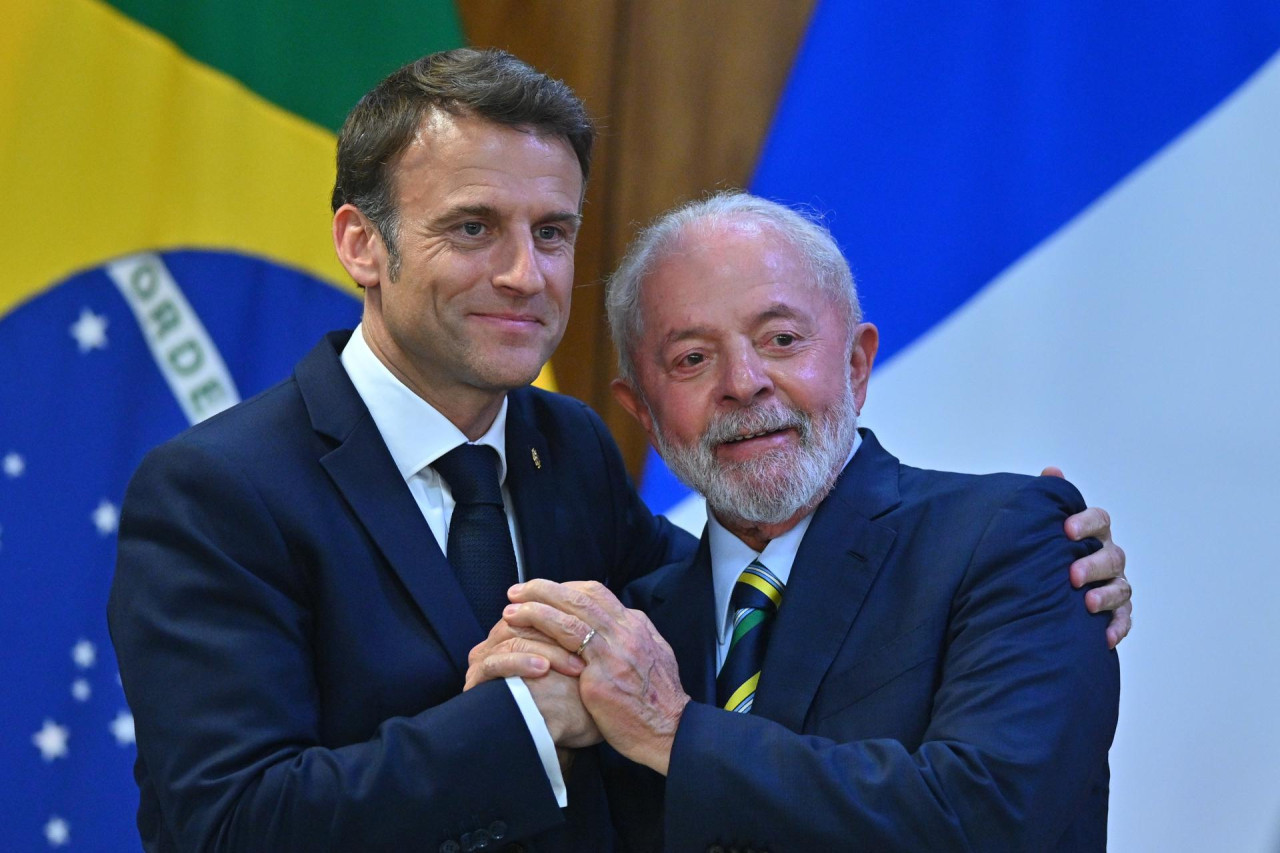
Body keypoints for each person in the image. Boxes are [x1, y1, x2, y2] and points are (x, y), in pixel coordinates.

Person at [108, 50, 1128, 851]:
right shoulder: (214, 490)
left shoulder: (568, 451)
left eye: (551, 232)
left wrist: (1034, 565)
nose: (522, 272)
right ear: (360, 244)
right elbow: (226, 829)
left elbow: (746, 575)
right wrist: (521, 724)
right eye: (472, 227)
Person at [473, 192, 1121, 851]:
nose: (744, 381)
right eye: (692, 358)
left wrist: (673, 732)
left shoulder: (1016, 541)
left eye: (781, 340)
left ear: (856, 365)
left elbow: (990, 820)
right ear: (643, 412)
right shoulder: (629, 633)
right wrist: (513, 741)